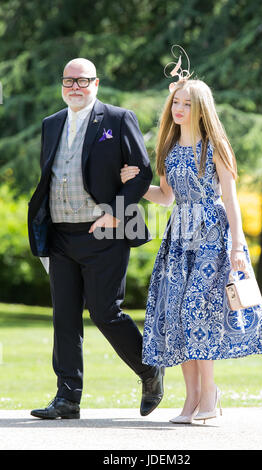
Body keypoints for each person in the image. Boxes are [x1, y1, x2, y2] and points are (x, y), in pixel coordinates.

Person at [120, 73, 262, 424]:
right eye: (176, 102)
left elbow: (230, 200)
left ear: (201, 108)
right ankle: (191, 402)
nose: (180, 108)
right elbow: (166, 196)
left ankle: (210, 393)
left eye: (188, 103)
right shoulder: (169, 149)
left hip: (213, 235)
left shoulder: (216, 146)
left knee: (195, 311)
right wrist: (137, 185)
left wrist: (237, 246)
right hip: (179, 235)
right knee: (176, 316)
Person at [27, 58, 164, 420]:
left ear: (96, 83)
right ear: (62, 85)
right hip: (60, 234)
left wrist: (115, 212)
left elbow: (141, 173)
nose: (74, 87)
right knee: (65, 317)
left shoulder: (118, 119)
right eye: (68, 81)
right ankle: (67, 398)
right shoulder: (51, 123)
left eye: (82, 81)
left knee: (105, 313)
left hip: (104, 232)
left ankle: (150, 371)